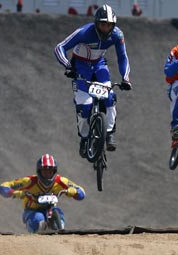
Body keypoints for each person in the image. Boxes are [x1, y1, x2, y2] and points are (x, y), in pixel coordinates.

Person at [54, 4, 132, 157]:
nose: (106, 28)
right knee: (84, 107)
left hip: (99, 66)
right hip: (80, 67)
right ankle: (84, 139)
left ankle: (109, 133)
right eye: (103, 24)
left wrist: (125, 78)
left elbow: (123, 57)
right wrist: (68, 66)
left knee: (110, 98)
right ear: (96, 23)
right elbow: (59, 48)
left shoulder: (117, 35)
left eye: (109, 25)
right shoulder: (84, 32)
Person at [0, 154, 86, 233]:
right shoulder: (29, 181)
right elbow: (3, 187)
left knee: (59, 212)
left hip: (51, 209)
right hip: (31, 211)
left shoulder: (61, 181)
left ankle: (61, 231)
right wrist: (15, 193)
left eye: (50, 171)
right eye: (45, 172)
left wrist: (74, 192)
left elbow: (81, 192)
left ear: (54, 172)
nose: (47, 175)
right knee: (38, 218)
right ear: (39, 172)